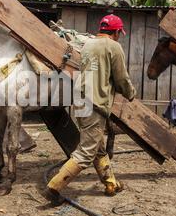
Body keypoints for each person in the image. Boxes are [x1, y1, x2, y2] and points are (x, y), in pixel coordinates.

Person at [45, 14, 137, 205]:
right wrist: (131, 93)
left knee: (97, 147)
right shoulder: (114, 47)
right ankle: (54, 188)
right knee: (86, 152)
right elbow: (121, 78)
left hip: (80, 100)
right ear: (117, 32)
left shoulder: (88, 44)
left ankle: (110, 183)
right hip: (95, 103)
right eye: (120, 33)